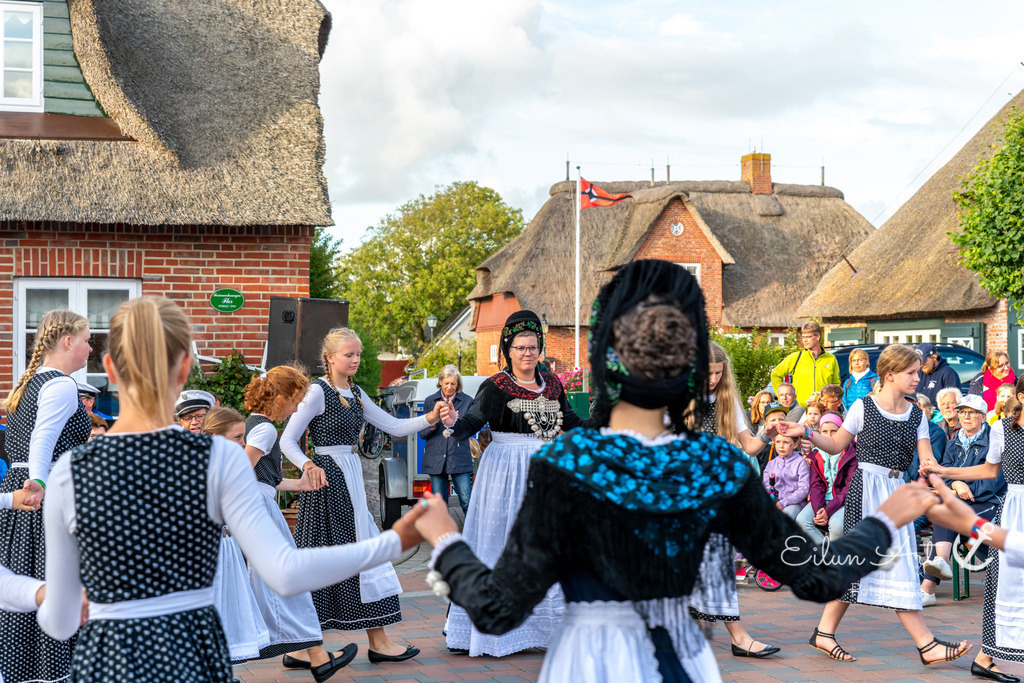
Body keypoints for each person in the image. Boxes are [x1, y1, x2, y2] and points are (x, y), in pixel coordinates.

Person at [417, 259, 941, 683]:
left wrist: (445, 541)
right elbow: (815, 572)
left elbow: (497, 608)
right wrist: (887, 518)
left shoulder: (568, 464)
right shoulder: (713, 467)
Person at [35, 297, 428, 683]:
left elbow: (59, 618)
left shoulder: (70, 471)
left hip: (108, 659)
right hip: (193, 653)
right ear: (185, 366)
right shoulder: (219, 460)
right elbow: (285, 573)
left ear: (109, 368)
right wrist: (396, 540)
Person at [779, 343, 971, 666]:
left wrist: (937, 473)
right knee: (883, 564)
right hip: (866, 491)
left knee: (883, 565)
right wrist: (808, 433)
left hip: (896, 491)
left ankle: (825, 632)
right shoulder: (863, 407)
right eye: (911, 373)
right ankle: (926, 645)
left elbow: (927, 458)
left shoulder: (916, 414)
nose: (916, 378)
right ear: (891, 374)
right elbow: (836, 444)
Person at [436, 310, 594, 657]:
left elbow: (571, 421)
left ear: (540, 348)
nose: (527, 353)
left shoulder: (552, 383)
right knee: (498, 544)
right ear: (508, 349)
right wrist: (453, 420)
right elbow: (473, 422)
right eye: (520, 347)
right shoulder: (494, 387)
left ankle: (547, 628)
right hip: (504, 472)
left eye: (533, 347)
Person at [281, 328, 442, 662]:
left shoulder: (355, 392)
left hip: (349, 477)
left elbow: (393, 426)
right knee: (333, 557)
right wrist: (308, 464)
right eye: (348, 355)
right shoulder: (316, 392)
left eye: (357, 354)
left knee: (357, 555)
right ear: (329, 357)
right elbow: (287, 439)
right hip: (326, 483)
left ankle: (372, 641)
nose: (354, 360)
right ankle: (306, 646)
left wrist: (430, 417)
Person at [243, 366, 358, 673]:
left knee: (283, 583)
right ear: (279, 397)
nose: (296, 409)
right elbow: (240, 472)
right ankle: (315, 656)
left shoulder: (257, 424)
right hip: (260, 514)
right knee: (289, 581)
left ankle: (312, 655)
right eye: (295, 401)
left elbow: (264, 479)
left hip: (257, 507)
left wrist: (300, 484)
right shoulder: (266, 429)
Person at [0, 309, 92, 683]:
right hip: (42, 494)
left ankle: (22, 669)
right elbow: (43, 441)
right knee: (47, 581)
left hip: (18, 493)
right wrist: (38, 482)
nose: (90, 348)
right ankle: (51, 671)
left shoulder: (30, 384)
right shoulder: (62, 385)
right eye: (87, 340)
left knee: (20, 579)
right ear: (68, 342)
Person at [920, 375, 1024, 681]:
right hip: (1016, 509)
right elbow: (990, 470)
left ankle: (984, 657)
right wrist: (945, 471)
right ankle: (985, 657)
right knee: (1006, 584)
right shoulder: (1004, 429)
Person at [687, 341, 779, 658]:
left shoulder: (728, 403)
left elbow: (750, 447)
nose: (712, 380)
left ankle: (738, 637)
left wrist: (767, 433)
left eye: (717, 373)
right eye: (706, 373)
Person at [201, 407, 273, 664]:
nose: (244, 443)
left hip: (227, 545)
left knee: (229, 610)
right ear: (216, 437)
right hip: (210, 549)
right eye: (238, 437)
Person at [919, 394, 1005, 609]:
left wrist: (958, 489)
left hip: (988, 504)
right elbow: (945, 474)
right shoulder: (954, 441)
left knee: (946, 508)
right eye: (963, 412)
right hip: (961, 502)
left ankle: (930, 583)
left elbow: (991, 482)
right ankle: (940, 563)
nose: (966, 417)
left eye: (972, 413)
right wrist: (956, 485)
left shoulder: (994, 440)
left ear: (983, 416)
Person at [420, 366, 474, 513]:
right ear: (440, 382)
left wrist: (457, 422)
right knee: (440, 506)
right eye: (446, 383)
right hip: (436, 459)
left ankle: (472, 535)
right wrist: (433, 423)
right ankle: (443, 535)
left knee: (467, 502)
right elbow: (422, 434)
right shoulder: (430, 401)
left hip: (459, 458)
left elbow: (469, 430)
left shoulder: (468, 401)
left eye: (453, 384)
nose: (450, 387)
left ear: (458, 384)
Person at [796, 412, 856, 543]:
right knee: (802, 521)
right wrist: (819, 509)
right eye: (825, 431)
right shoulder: (816, 454)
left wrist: (828, 511)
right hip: (822, 500)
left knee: (836, 526)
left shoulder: (851, 454)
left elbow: (849, 488)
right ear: (819, 433)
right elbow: (816, 485)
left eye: (834, 431)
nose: (829, 436)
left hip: (843, 501)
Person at [769, 321, 840, 407]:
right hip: (801, 408)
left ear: (818, 336)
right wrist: (782, 395)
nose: (805, 340)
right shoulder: (795, 357)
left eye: (808, 337)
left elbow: (836, 385)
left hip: (823, 408)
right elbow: (775, 374)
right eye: (803, 337)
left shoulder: (831, 359)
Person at [762, 432, 810, 518]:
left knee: (785, 516)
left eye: (786, 442)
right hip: (774, 502)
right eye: (778, 442)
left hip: (794, 503)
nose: (781, 446)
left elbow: (804, 489)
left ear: (795, 444)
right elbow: (766, 485)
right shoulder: (771, 464)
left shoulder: (800, 463)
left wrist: (784, 502)